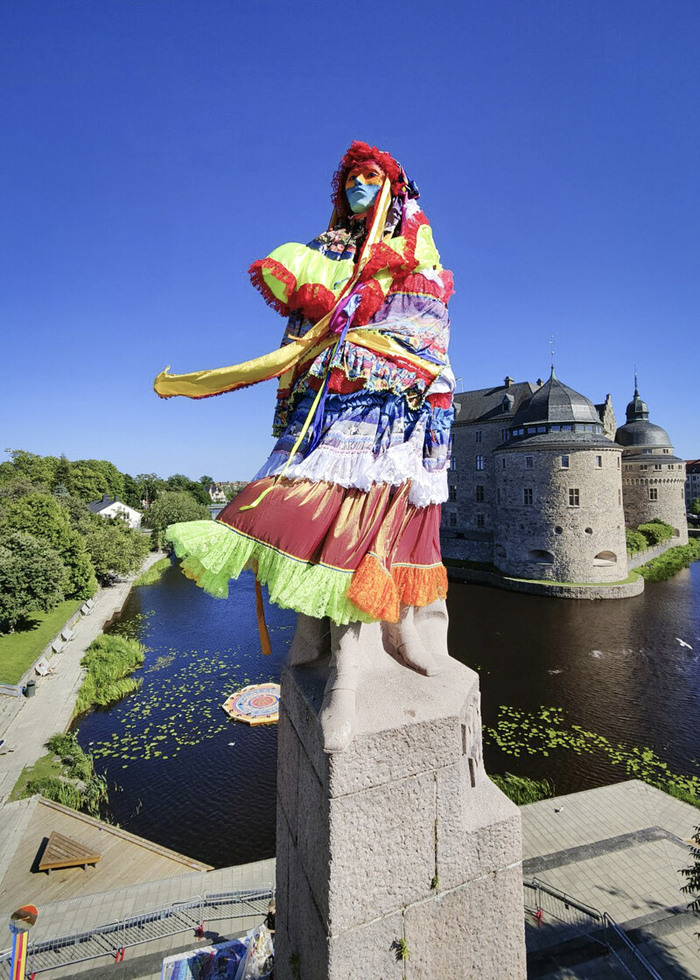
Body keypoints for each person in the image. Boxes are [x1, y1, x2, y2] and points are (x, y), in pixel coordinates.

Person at [155, 141, 455, 752]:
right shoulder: (327, 250)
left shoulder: (412, 244)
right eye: (349, 182)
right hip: (336, 404)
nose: (356, 189)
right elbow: (300, 331)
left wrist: (404, 358)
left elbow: (429, 322)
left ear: (391, 187)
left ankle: (400, 636)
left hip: (405, 402)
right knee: (327, 508)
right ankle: (343, 658)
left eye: (369, 179)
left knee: (400, 517)